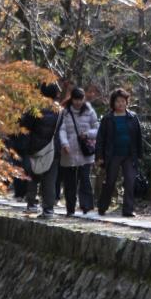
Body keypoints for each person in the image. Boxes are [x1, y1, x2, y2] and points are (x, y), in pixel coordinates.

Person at [95, 88, 143, 217]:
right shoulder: (107, 119)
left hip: (129, 155)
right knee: (110, 181)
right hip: (113, 155)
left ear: (127, 102)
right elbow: (100, 139)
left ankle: (128, 210)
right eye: (118, 101)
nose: (120, 104)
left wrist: (139, 155)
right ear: (113, 103)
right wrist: (99, 156)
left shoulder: (133, 117)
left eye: (123, 101)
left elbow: (138, 137)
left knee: (130, 181)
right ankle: (102, 207)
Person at [18, 82, 63, 218]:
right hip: (53, 149)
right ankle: (48, 209)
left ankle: (32, 204)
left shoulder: (35, 109)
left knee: (33, 177)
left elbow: (24, 126)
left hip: (35, 148)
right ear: (55, 94)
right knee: (50, 179)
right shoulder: (60, 111)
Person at [58, 86, 98, 215]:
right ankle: (70, 208)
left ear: (83, 99)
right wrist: (64, 143)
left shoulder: (90, 111)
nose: (78, 102)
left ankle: (86, 206)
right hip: (69, 152)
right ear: (72, 99)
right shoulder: (65, 112)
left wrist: (87, 134)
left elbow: (97, 128)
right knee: (70, 182)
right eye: (76, 99)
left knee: (85, 179)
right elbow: (62, 130)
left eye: (80, 99)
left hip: (85, 152)